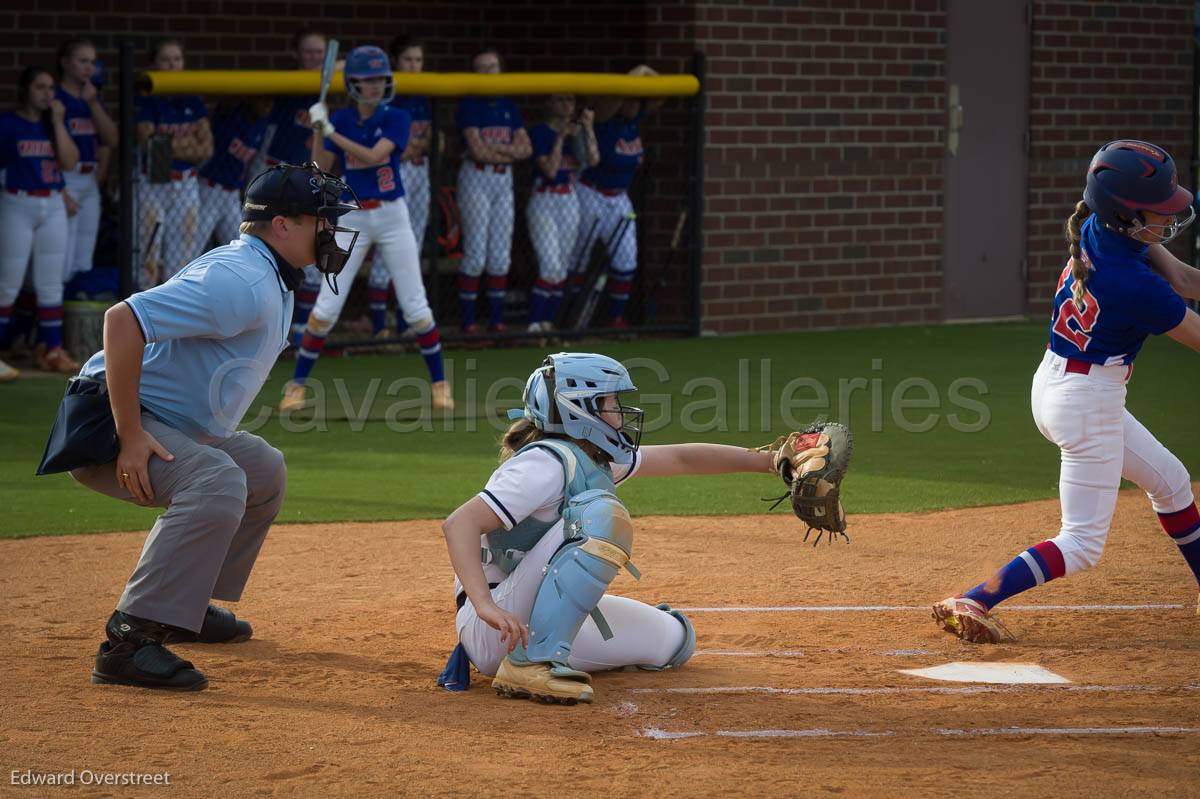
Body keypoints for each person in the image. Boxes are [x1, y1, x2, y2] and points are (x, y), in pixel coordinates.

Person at [61, 162, 360, 690]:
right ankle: (129, 639)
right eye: (323, 219)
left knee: (263, 471)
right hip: (107, 419)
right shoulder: (239, 280)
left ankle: (185, 607)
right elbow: (121, 321)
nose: (332, 231)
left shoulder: (269, 271)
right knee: (217, 481)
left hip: (166, 418)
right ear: (283, 226)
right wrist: (129, 435)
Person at [440, 353, 843, 704]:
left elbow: (683, 459)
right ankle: (532, 664)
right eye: (612, 401)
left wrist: (774, 462)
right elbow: (460, 523)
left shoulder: (591, 457)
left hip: (524, 618)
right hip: (498, 626)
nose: (621, 411)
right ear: (581, 408)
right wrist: (485, 607)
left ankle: (544, 648)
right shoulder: (543, 462)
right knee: (601, 513)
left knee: (672, 640)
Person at [933, 139, 1200, 644]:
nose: (1168, 218)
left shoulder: (1103, 232)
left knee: (1171, 481)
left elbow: (1186, 277)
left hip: (1062, 385)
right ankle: (975, 597)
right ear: (1126, 213)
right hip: (1087, 401)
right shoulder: (1130, 282)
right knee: (1081, 542)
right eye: (1158, 210)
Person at [282, 46, 452, 412]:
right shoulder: (340, 119)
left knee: (415, 306)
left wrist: (332, 131)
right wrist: (319, 129)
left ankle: (440, 384)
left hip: (392, 215)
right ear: (354, 84)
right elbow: (319, 168)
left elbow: (376, 156)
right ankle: (295, 387)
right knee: (326, 307)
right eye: (367, 80)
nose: (375, 86)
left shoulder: (397, 117)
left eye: (380, 79)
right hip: (353, 216)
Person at [0, 65, 81, 378]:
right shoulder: (8, 123)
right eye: (40, 87)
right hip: (17, 201)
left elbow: (70, 161)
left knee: (50, 283)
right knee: (8, 283)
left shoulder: (53, 124)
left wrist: (58, 123)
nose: (47, 94)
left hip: (52, 204)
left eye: (51, 88)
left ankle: (51, 349)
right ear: (25, 90)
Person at [570, 64, 665, 329]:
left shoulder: (634, 119)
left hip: (619, 197)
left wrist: (647, 71)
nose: (636, 104)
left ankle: (616, 318)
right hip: (590, 192)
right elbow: (612, 101)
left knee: (626, 260)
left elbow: (662, 94)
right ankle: (570, 315)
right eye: (631, 98)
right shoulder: (605, 116)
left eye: (639, 99)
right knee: (578, 257)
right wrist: (634, 75)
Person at [455, 47, 531, 334]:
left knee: (500, 254)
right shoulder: (470, 104)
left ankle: (497, 321)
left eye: (492, 67)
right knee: (475, 253)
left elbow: (526, 149)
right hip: (476, 178)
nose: (488, 73)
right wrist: (507, 152)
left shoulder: (508, 105)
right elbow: (478, 152)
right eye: (481, 68)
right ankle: (468, 322)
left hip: (503, 180)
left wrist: (497, 150)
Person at [366, 34, 434, 340]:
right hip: (394, 173)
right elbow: (392, 148)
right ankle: (380, 326)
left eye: (418, 60)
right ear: (395, 62)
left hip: (421, 172)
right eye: (408, 60)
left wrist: (411, 145)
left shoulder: (424, 92)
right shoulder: (386, 94)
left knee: (412, 245)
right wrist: (409, 146)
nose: (414, 66)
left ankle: (407, 324)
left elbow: (429, 139)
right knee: (387, 244)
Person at [262, 29, 327, 345]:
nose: (314, 59)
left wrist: (332, 68)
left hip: (309, 181)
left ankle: (302, 331)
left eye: (320, 53)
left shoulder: (329, 92)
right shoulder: (288, 83)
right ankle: (274, 330)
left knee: (315, 255)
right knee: (271, 254)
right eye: (309, 52)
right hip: (276, 179)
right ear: (297, 55)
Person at [136, 38, 213, 285]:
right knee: (147, 256)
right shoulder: (147, 98)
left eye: (177, 60)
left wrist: (168, 145)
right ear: (154, 64)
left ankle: (173, 319)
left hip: (187, 184)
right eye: (165, 60)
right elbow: (150, 144)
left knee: (182, 260)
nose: (172, 65)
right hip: (153, 184)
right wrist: (188, 144)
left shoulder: (192, 99)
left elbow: (207, 149)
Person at [525, 94, 598, 333]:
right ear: (549, 103)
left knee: (562, 266)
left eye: (571, 101)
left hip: (569, 199)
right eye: (560, 100)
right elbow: (550, 169)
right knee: (549, 265)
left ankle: (550, 323)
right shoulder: (540, 132)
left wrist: (587, 128)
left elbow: (594, 160)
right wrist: (560, 137)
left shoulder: (577, 134)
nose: (567, 106)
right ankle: (534, 323)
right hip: (544, 198)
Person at [56, 37, 117, 284]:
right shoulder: (56, 98)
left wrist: (92, 103)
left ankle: (75, 315)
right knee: (63, 258)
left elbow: (112, 139)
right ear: (65, 63)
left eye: (92, 62)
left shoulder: (92, 99)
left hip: (89, 180)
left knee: (84, 258)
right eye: (82, 61)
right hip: (64, 179)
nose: (88, 67)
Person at [194, 99, 271, 250]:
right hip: (210, 189)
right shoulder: (230, 116)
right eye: (264, 101)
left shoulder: (261, 126)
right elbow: (225, 104)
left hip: (232, 197)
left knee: (243, 247)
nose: (267, 106)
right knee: (192, 247)